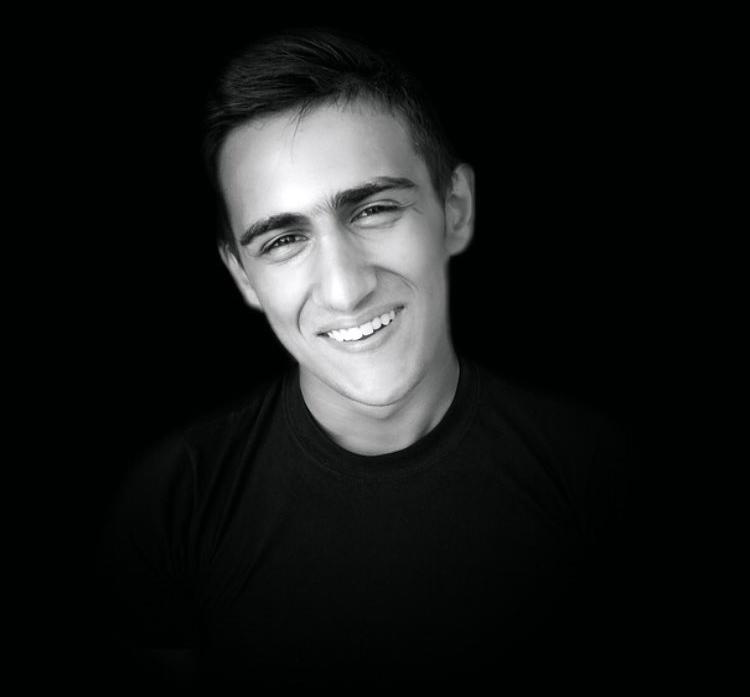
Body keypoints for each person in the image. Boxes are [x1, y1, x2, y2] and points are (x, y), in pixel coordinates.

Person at [96, 27, 645, 690]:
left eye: (374, 209)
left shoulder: (598, 473)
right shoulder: (172, 505)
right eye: (281, 241)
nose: (344, 289)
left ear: (455, 209)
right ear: (242, 276)